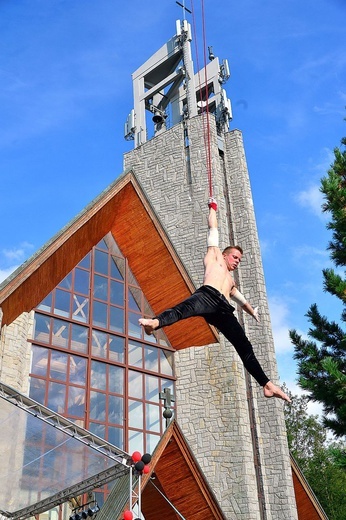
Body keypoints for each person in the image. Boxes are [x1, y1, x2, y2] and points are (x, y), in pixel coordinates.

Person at [139, 198, 290, 403]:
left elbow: (241, 300)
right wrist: (213, 208)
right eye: (235, 257)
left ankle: (267, 384)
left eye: (239, 260)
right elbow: (213, 228)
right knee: (183, 309)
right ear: (225, 255)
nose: (237, 262)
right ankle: (154, 323)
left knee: (243, 344)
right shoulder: (214, 255)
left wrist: (252, 311)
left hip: (224, 310)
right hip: (207, 296)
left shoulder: (230, 281)